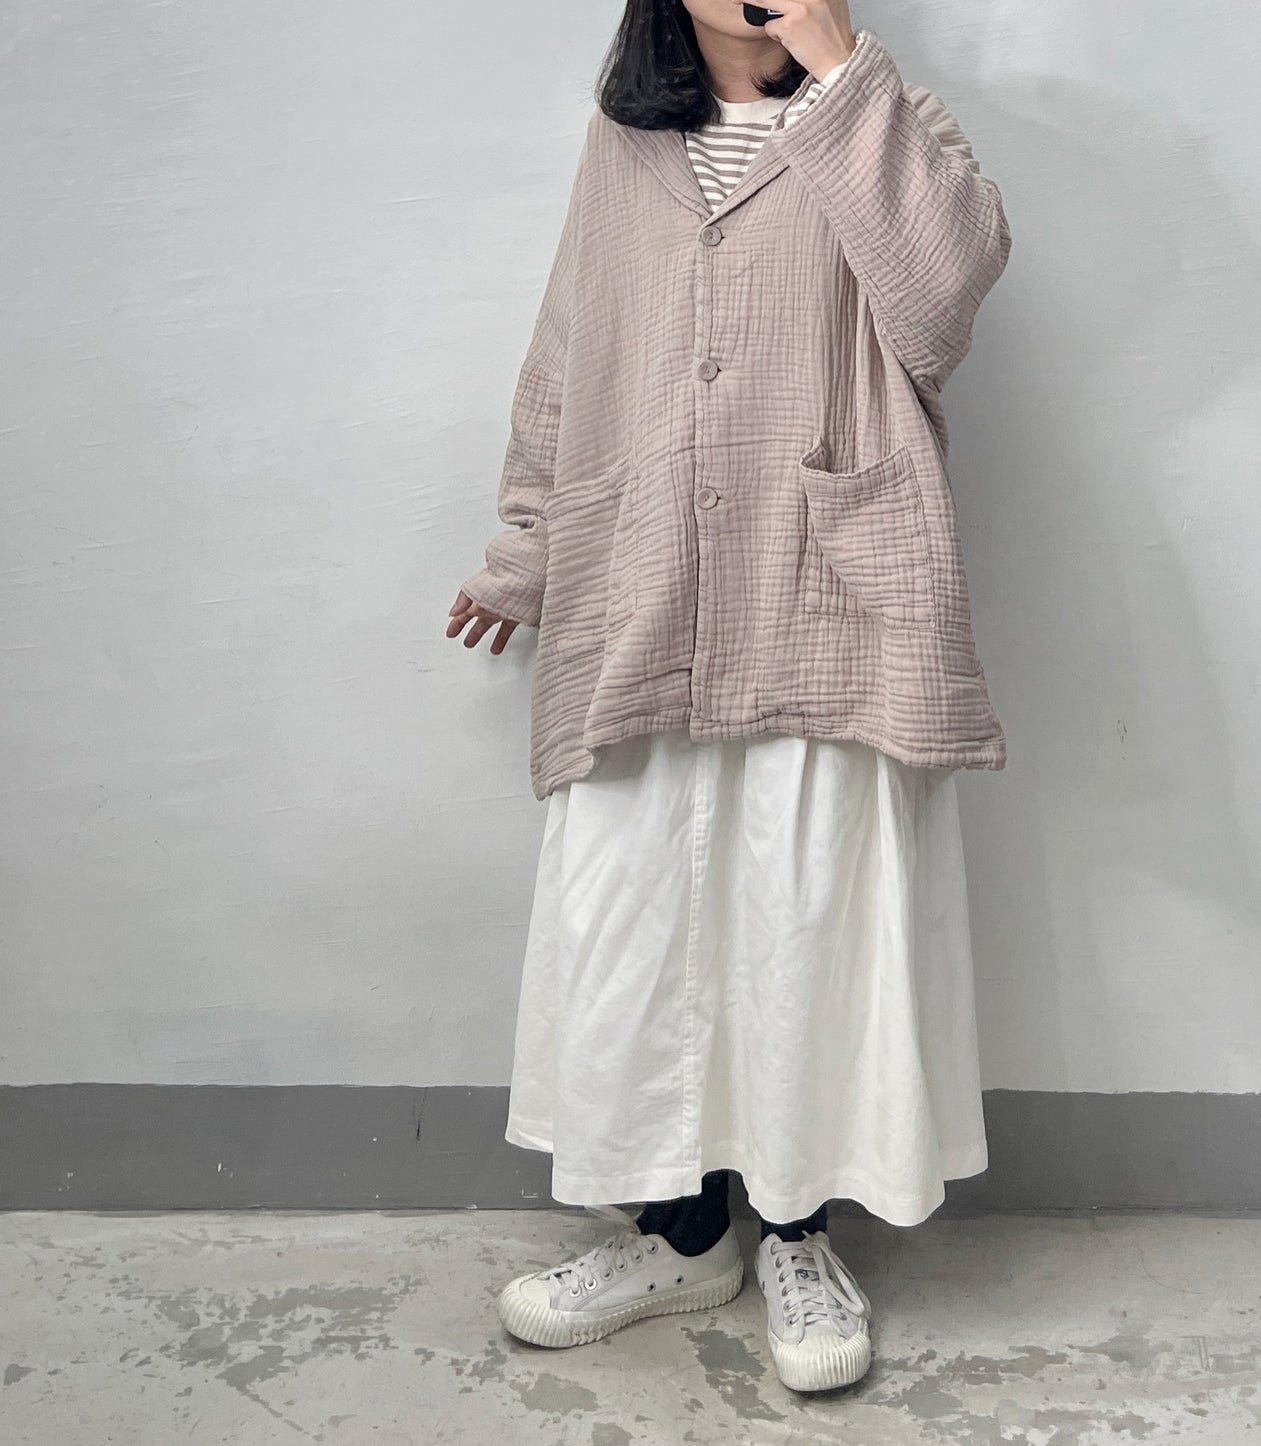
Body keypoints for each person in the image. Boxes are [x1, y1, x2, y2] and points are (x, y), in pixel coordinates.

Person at [445, 0, 1011, 1393]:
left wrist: (840, 75)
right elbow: (570, 347)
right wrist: (526, 547)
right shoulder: (626, 142)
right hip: (639, 582)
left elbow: (941, 306)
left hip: (819, 589)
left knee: (801, 912)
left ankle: (796, 1229)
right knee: (643, 915)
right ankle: (682, 1233)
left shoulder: (891, 121)